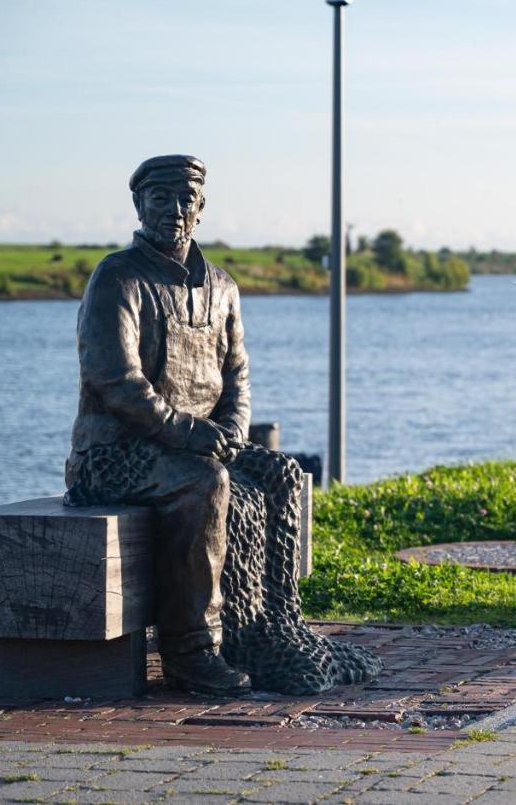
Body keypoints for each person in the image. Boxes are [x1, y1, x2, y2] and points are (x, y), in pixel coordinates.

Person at [64, 154, 380, 696]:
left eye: (185, 198)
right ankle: (193, 650)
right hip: (115, 454)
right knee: (205, 484)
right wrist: (193, 437)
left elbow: (238, 378)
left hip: (200, 445)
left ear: (201, 207)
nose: (174, 209)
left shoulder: (223, 286)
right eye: (160, 198)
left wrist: (231, 431)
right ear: (139, 205)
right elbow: (115, 381)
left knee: (278, 473)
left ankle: (270, 625)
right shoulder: (118, 277)